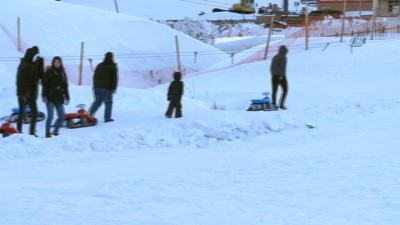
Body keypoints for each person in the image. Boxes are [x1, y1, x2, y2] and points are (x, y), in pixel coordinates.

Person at [42, 56, 70, 138]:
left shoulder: (62, 73)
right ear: (53, 63)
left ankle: (55, 131)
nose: (57, 64)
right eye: (55, 62)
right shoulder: (49, 72)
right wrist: (44, 96)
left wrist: (67, 97)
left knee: (62, 116)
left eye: (58, 62)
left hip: (59, 97)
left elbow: (65, 86)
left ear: (60, 63)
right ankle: (47, 133)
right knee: (50, 116)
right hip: (50, 97)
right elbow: (45, 85)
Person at [15, 47, 40, 136]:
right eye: (36, 57)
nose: (36, 59)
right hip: (27, 93)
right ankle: (31, 132)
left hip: (22, 93)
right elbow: (23, 81)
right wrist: (27, 93)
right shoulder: (28, 66)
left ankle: (19, 131)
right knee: (34, 112)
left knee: (22, 113)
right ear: (31, 56)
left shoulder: (23, 64)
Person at [88, 52, 118, 122]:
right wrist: (114, 88)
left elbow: (94, 76)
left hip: (97, 88)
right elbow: (114, 78)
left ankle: (89, 115)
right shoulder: (112, 66)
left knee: (97, 102)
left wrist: (96, 87)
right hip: (107, 88)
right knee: (108, 103)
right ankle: (107, 118)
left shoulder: (99, 65)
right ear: (112, 57)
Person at [270, 45, 289, 110]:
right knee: (285, 90)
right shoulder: (283, 57)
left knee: (274, 91)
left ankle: (274, 105)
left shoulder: (274, 57)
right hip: (281, 76)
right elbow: (282, 68)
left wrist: (273, 75)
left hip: (274, 76)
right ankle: (281, 104)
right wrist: (281, 77)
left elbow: (271, 67)